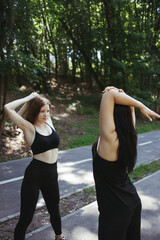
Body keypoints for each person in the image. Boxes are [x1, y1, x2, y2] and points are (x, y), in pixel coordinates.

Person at [92, 86, 160, 240]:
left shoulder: (108, 139)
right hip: (132, 202)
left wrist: (140, 104)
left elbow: (109, 95)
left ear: (111, 113)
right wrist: (129, 100)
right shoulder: (129, 135)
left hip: (114, 210)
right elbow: (125, 104)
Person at [4, 93, 65, 240]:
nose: (46, 114)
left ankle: (59, 237)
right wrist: (28, 98)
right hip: (35, 175)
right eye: (42, 111)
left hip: (52, 174)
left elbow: (37, 108)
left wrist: (34, 99)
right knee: (26, 216)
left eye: (48, 111)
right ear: (35, 112)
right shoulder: (29, 128)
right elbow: (8, 108)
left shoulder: (48, 122)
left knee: (55, 210)